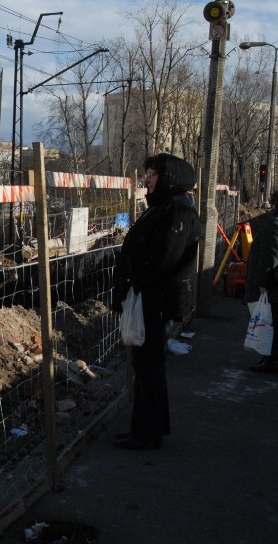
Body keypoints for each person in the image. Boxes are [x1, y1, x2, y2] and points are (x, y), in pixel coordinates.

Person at [111, 153, 200, 450]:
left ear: (168, 177)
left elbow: (165, 258)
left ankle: (147, 434)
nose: (146, 179)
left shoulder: (175, 211)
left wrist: (137, 278)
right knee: (147, 367)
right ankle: (148, 430)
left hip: (155, 300)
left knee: (149, 367)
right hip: (152, 298)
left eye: (152, 174)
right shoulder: (167, 207)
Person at [243, 190, 278, 373]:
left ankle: (270, 359)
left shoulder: (274, 225)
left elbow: (270, 257)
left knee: (269, 322)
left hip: (271, 286)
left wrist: (263, 282)